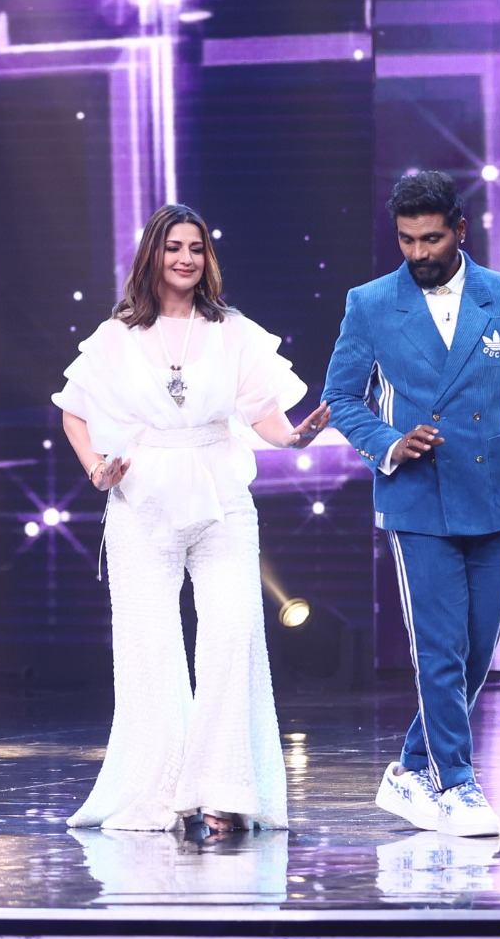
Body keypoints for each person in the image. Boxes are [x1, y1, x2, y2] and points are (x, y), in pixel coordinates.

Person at [320, 171, 500, 838]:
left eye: (430, 237)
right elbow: (342, 398)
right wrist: (391, 443)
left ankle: (408, 767)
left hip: (490, 496)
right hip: (415, 497)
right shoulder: (370, 304)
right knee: (439, 651)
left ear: (459, 229)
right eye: (406, 240)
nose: (418, 253)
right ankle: (456, 782)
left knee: (478, 650)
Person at [54, 203, 331, 834]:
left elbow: (264, 413)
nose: (185, 258)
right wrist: (98, 468)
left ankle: (222, 792)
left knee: (232, 633)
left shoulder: (233, 330)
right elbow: (74, 412)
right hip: (140, 501)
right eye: (173, 246)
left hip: (220, 496)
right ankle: (157, 793)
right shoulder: (115, 335)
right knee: (150, 648)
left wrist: (295, 439)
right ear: (151, 254)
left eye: (196, 248)